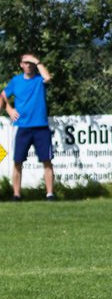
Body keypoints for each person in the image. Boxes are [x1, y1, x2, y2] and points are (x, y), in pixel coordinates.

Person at [1, 53, 56, 201]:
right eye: (25, 62)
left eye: (30, 63)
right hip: (23, 127)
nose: (28, 65)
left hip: (41, 127)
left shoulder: (39, 79)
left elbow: (48, 78)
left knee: (47, 161)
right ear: (21, 65)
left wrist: (37, 61)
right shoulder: (16, 81)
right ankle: (17, 194)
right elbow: (2, 96)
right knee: (18, 161)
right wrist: (10, 110)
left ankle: (50, 194)